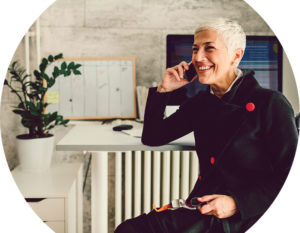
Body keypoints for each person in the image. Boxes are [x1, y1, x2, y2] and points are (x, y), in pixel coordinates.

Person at [115, 18, 298, 233]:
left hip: (248, 214)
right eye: (195, 49)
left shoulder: (270, 103)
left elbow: (292, 176)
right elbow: (153, 136)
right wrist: (164, 90)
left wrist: (236, 203)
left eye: (209, 48)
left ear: (236, 55)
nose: (198, 58)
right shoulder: (202, 103)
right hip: (204, 208)